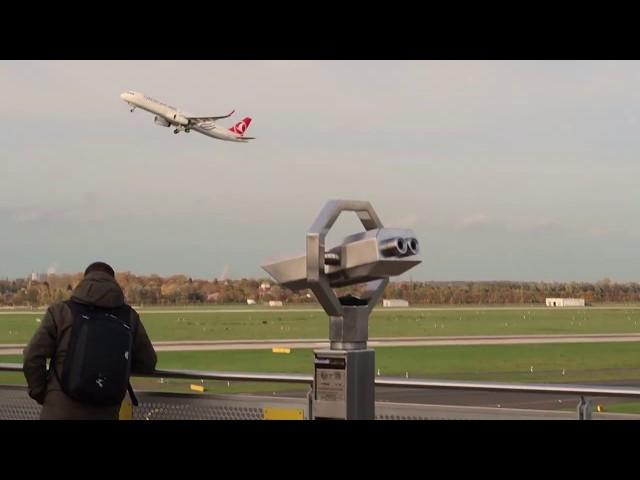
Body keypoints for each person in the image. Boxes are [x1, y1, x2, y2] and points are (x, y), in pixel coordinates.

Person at [23, 261, 157, 420]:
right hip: (106, 411)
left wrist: (41, 393)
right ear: (113, 283)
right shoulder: (129, 317)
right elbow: (148, 363)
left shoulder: (60, 311)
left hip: (59, 410)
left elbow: (32, 356)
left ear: (84, 281)